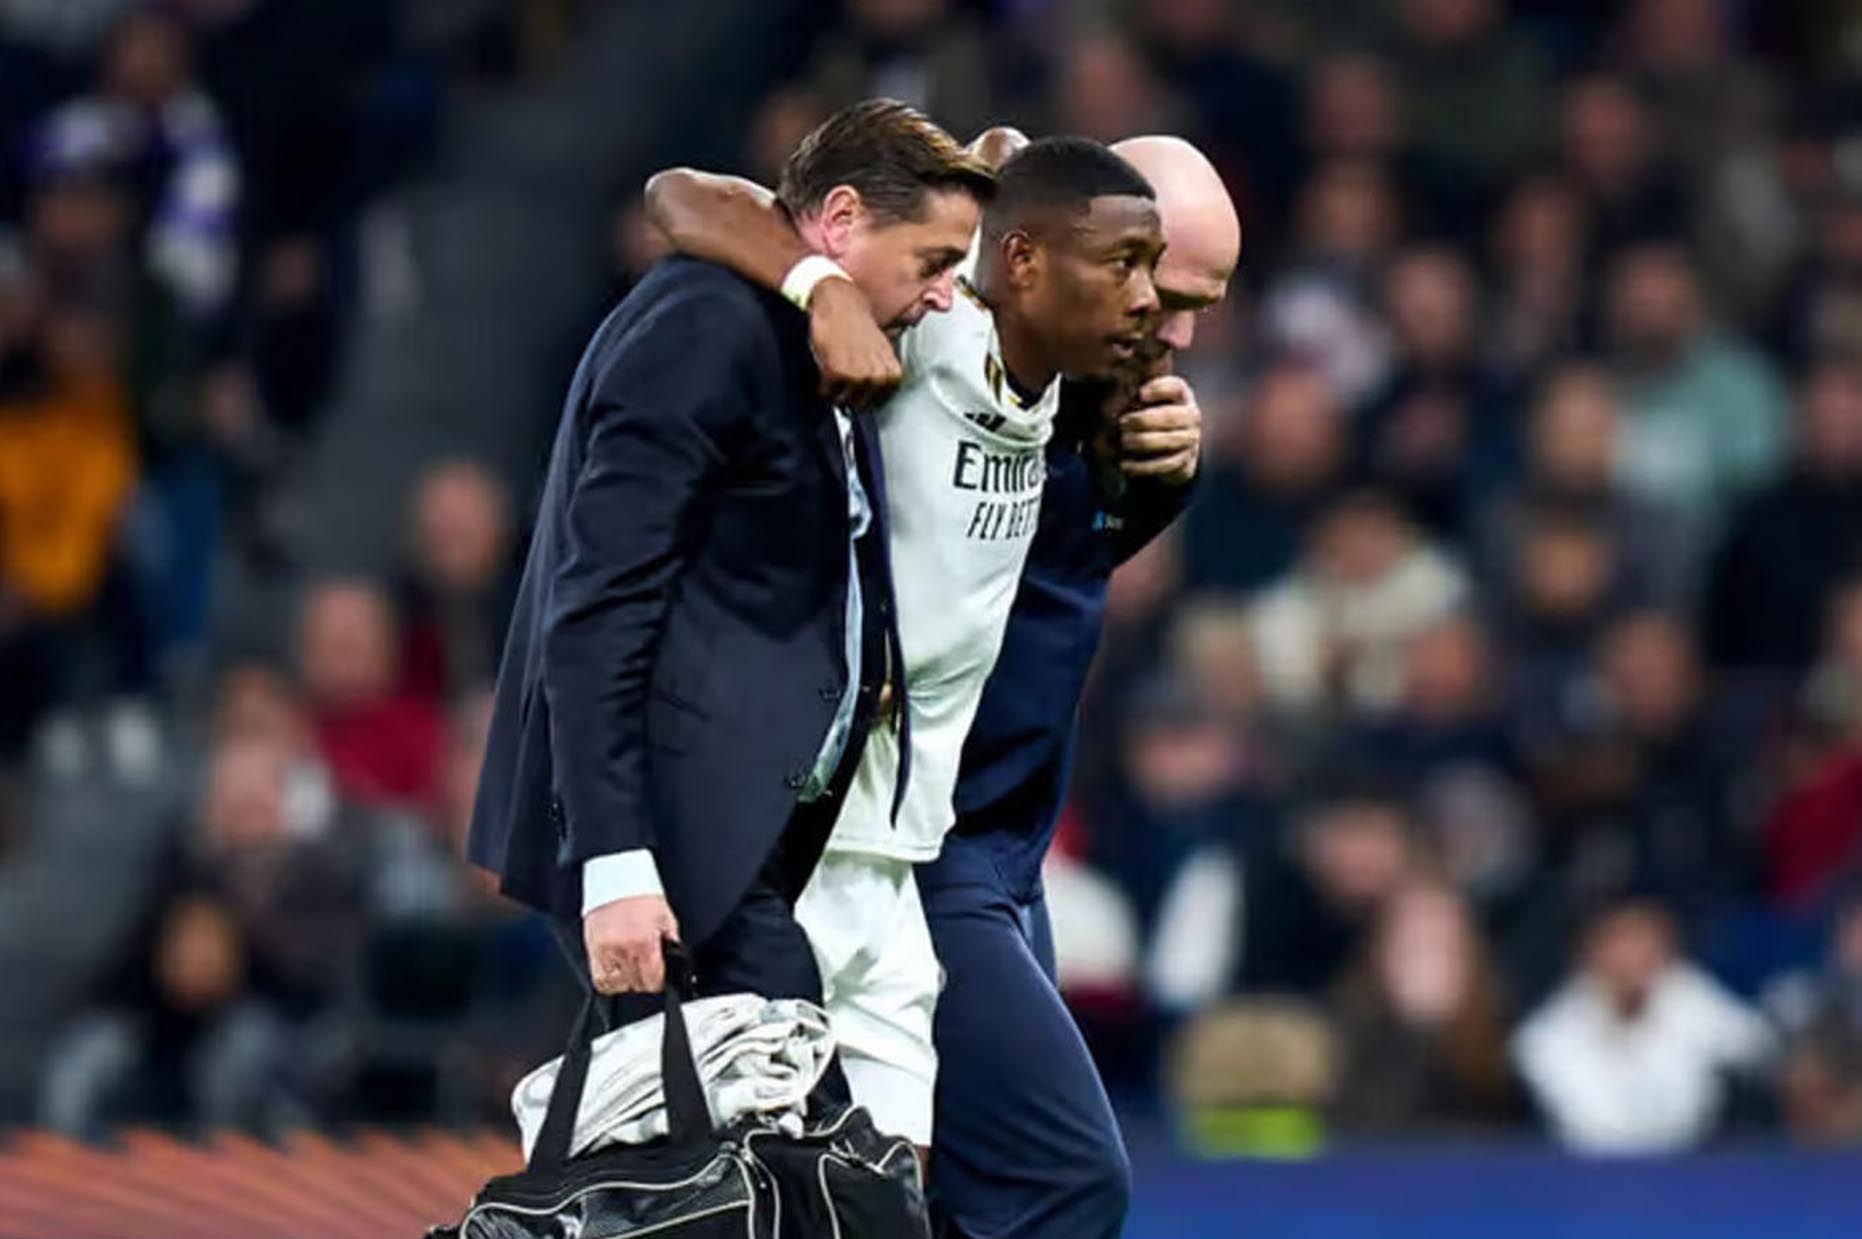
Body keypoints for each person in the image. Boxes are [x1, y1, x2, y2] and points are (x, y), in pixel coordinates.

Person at [678, 133, 1227, 1237]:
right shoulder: (934, 324)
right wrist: (818, 283)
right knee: (1061, 1180)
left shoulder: (1094, 404)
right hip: (920, 851)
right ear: (1034, 258)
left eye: (1200, 302)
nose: (1169, 327)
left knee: (924, 1201)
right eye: (1153, 283)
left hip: (1004, 854)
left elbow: (1014, 595)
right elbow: (681, 198)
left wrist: (1152, 495)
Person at [466, 101, 992, 1029]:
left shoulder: (815, 330)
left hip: (740, 837)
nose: (946, 293)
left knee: (694, 1160)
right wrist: (616, 863)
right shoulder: (707, 327)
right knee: (786, 1143)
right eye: (933, 263)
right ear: (838, 222)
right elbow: (598, 606)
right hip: (674, 843)